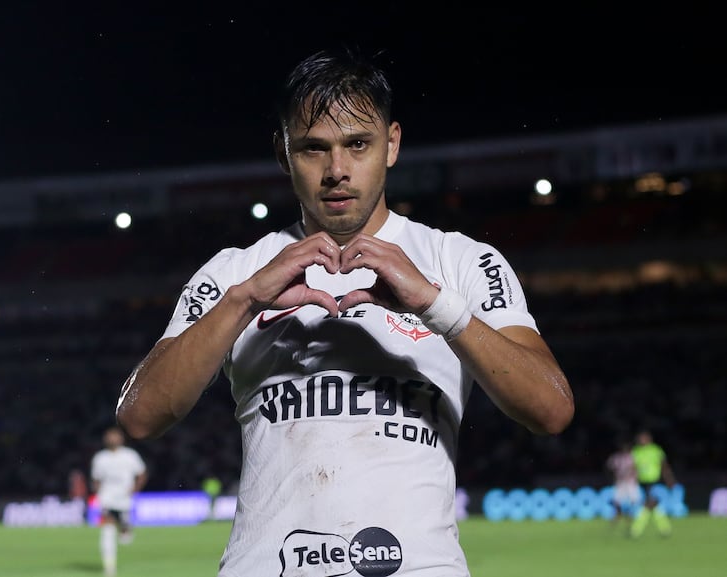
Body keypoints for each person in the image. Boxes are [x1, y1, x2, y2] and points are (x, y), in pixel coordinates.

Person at [115, 46, 574, 576]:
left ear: (392, 144)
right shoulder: (235, 271)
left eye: (358, 144)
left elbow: (552, 409)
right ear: (283, 154)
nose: (337, 170)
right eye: (314, 149)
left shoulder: (461, 261)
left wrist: (435, 304)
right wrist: (242, 302)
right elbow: (140, 416)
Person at [90, 426, 148, 576]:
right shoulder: (100, 458)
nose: (112, 439)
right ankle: (109, 567)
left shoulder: (130, 456)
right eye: (109, 436)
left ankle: (125, 527)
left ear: (121, 439)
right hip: (107, 498)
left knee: (124, 532)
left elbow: (142, 474)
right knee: (107, 528)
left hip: (124, 498)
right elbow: (96, 479)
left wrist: (135, 489)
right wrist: (98, 495)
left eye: (115, 436)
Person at [630, 429, 675, 538]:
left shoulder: (655, 450)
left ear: (649, 439)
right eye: (640, 439)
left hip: (654, 481)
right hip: (642, 482)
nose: (642, 440)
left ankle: (636, 530)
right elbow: (633, 467)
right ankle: (664, 528)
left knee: (649, 503)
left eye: (644, 438)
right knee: (652, 505)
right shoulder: (636, 451)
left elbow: (664, 465)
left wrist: (669, 479)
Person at [605, 439, 641, 524]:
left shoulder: (632, 457)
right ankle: (618, 514)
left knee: (634, 499)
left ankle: (631, 515)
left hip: (630, 482)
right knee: (617, 499)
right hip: (620, 482)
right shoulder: (615, 457)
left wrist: (635, 477)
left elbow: (636, 468)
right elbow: (609, 467)